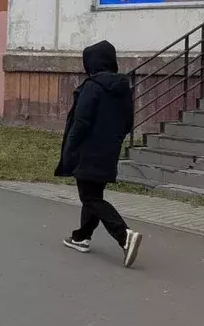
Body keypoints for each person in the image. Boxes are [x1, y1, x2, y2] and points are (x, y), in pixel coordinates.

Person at [55, 40, 143, 268]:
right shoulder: (123, 89)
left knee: (90, 197)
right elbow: (127, 123)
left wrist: (69, 149)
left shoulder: (92, 87)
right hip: (108, 151)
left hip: (87, 150)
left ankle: (125, 236)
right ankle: (81, 237)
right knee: (93, 195)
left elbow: (80, 121)